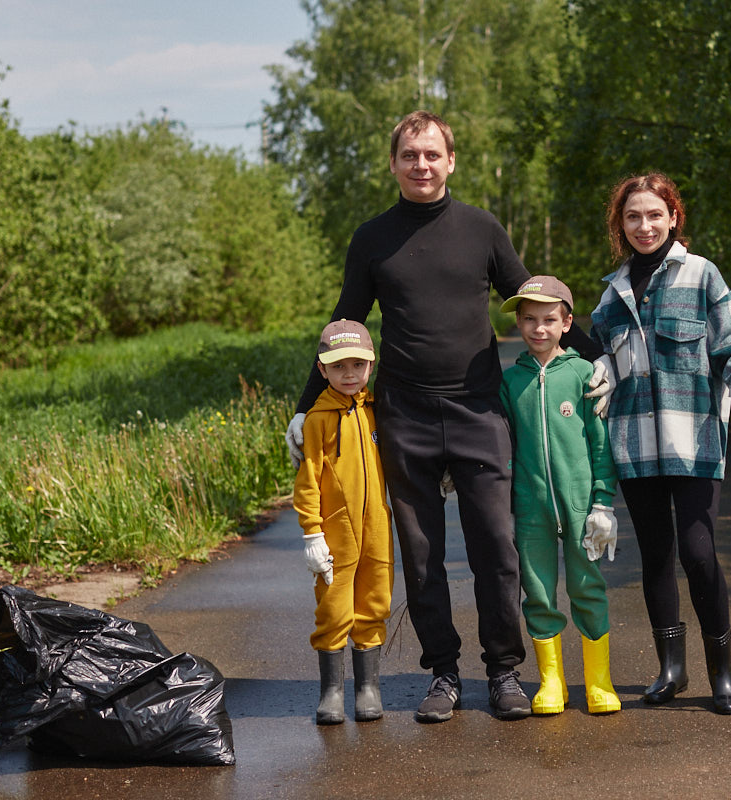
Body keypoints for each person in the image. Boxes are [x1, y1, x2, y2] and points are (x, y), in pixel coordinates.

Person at [284, 110, 611, 723]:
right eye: (410, 155)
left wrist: (596, 359)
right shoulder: (372, 238)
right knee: (421, 554)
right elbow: (345, 320)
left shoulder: (482, 229)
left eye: (432, 154)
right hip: (405, 414)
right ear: (393, 164)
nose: (422, 165)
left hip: (478, 409)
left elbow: (535, 297)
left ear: (451, 161)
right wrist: (306, 408)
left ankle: (504, 671)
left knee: (497, 546)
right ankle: (443, 673)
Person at [588, 173, 731, 715]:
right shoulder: (612, 293)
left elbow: (729, 351)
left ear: (673, 217)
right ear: (620, 225)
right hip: (634, 445)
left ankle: (723, 671)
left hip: (694, 441)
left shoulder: (702, 275)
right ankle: (671, 668)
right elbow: (604, 358)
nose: (644, 226)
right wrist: (600, 369)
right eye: (632, 217)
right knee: (655, 556)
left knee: (698, 554)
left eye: (655, 215)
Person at [497, 276, 621, 715]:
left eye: (549, 319)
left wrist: (603, 502)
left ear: (567, 323)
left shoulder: (584, 374)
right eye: (529, 319)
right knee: (538, 592)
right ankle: (552, 682)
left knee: (587, 586)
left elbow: (601, 445)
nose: (539, 328)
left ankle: (599, 681)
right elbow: (501, 443)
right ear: (518, 323)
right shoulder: (510, 381)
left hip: (582, 506)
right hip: (530, 507)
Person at [294, 319, 393, 725]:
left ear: (372, 364)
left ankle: (368, 687)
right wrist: (312, 533)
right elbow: (307, 481)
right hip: (335, 534)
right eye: (338, 367)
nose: (349, 374)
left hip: (377, 529)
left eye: (357, 365)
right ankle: (331, 691)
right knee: (334, 608)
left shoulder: (378, 410)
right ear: (322, 369)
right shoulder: (316, 420)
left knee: (374, 602)